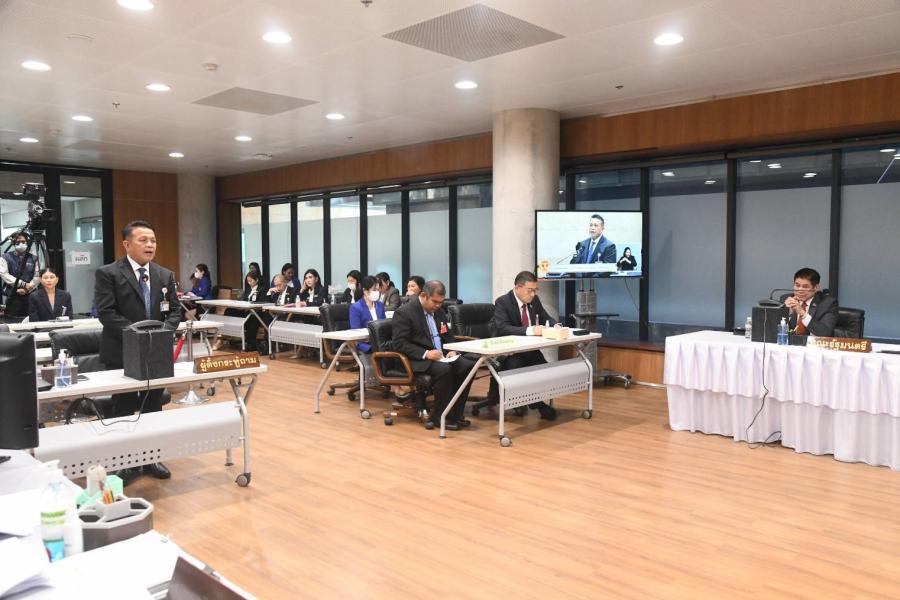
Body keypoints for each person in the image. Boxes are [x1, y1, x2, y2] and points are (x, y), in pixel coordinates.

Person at [94, 220, 181, 483]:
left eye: (153, 240)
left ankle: (151, 458)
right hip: (122, 350)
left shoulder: (164, 275)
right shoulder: (108, 273)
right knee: (123, 406)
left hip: (156, 352)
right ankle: (124, 463)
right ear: (127, 244)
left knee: (153, 405)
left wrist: (162, 333)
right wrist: (139, 335)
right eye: (143, 240)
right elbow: (107, 313)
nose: (150, 244)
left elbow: (174, 311)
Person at [391, 280, 477, 431]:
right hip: (416, 359)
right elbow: (400, 344)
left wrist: (451, 349)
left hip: (441, 356)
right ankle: (440, 416)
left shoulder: (439, 311)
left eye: (441, 302)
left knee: (468, 366)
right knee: (444, 370)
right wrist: (426, 353)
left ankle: (456, 414)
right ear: (424, 296)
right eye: (435, 302)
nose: (438, 305)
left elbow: (447, 335)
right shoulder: (404, 312)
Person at [488, 271, 558, 420]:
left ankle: (533, 402)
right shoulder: (503, 302)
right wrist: (531, 330)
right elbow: (502, 328)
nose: (533, 294)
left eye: (535, 290)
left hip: (528, 350)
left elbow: (546, 318)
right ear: (518, 288)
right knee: (519, 368)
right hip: (509, 353)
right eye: (529, 290)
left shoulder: (534, 300)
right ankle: (537, 405)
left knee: (543, 369)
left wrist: (557, 326)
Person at [780, 267, 838, 336]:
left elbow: (825, 333)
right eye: (797, 285)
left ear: (816, 288)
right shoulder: (786, 299)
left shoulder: (828, 303)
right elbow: (773, 330)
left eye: (805, 287)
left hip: (813, 342)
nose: (800, 290)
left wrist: (803, 314)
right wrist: (786, 313)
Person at [349, 276, 387, 380]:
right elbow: (356, 331)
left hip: (380, 343)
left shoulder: (380, 305)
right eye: (374, 289)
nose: (377, 292)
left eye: (378, 289)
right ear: (365, 291)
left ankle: (395, 381)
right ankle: (393, 384)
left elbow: (384, 326)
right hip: (365, 344)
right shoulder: (356, 307)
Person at [0, 231, 40, 321]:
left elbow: (37, 276)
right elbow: (4, 274)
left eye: (23, 241)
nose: (21, 244)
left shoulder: (34, 258)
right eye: (18, 242)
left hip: (30, 295)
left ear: (27, 242)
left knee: (31, 320)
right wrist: (22, 284)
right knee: (12, 321)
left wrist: (28, 288)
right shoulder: (5, 257)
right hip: (13, 295)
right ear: (13, 243)